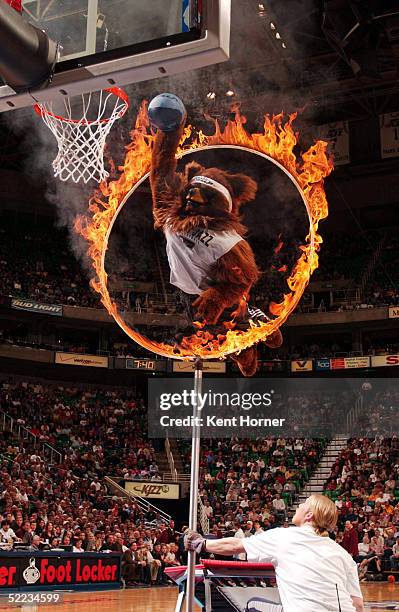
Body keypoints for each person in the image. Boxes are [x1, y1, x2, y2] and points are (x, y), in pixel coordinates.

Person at [185, 494, 364, 612]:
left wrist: (201, 543)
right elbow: (358, 605)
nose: (299, 505)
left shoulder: (284, 537)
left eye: (304, 504)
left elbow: (234, 545)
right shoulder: (343, 555)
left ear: (309, 515)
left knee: (252, 604)